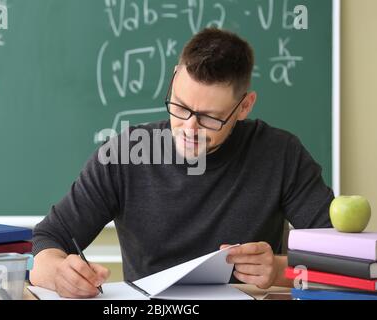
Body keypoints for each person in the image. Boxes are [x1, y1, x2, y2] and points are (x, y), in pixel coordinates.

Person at [30, 28, 334, 298]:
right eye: (180, 107)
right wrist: (58, 273)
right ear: (175, 79)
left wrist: (280, 270)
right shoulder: (126, 153)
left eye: (210, 118)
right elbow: (48, 238)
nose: (189, 128)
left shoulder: (280, 154)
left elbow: (344, 260)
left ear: (244, 106)